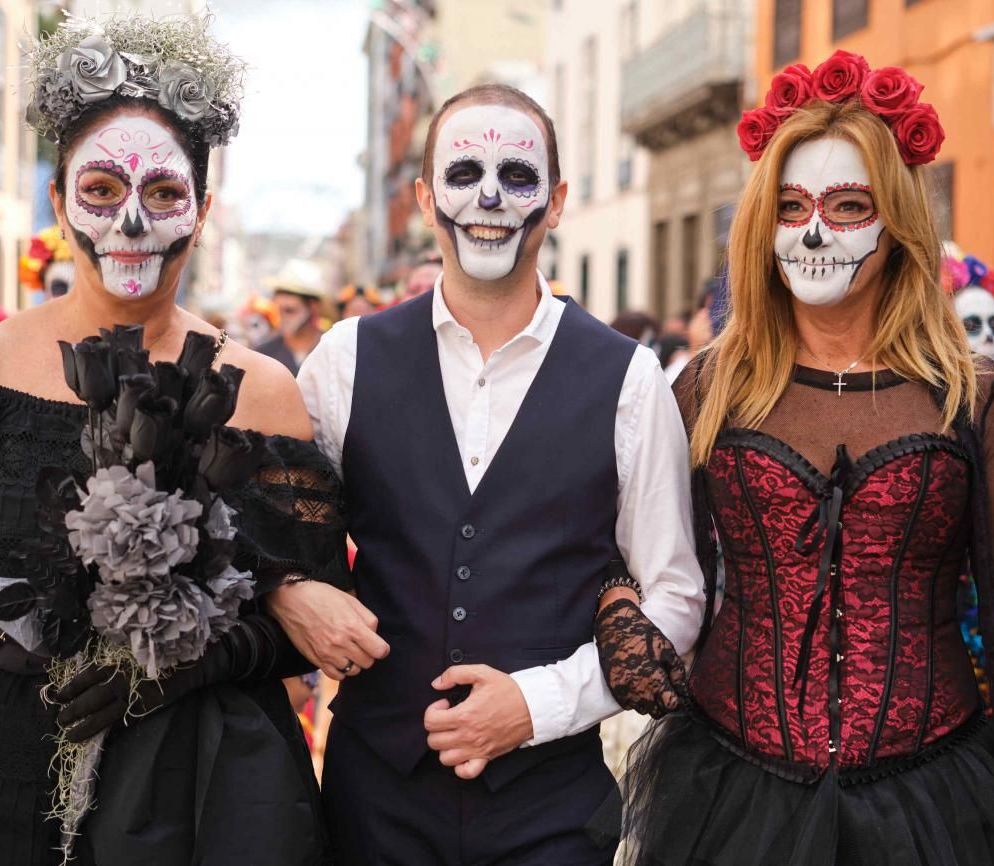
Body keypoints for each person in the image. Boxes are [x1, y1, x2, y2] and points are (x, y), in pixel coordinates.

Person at [0, 14, 350, 866]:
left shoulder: (262, 396)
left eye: (165, 195)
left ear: (202, 212)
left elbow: (308, 624)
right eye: (100, 190)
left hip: (190, 807)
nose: (131, 222)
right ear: (57, 202)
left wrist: (190, 662)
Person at [598, 52, 994, 865]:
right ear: (763, 224)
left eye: (848, 204)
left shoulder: (974, 396)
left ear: (896, 222)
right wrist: (619, 608)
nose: (815, 231)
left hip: (933, 796)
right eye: (790, 206)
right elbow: (636, 558)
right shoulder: (707, 387)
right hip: (729, 789)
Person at [273, 82, 704, 865]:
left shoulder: (630, 379)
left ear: (559, 198)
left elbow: (675, 595)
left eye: (519, 175)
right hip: (375, 798)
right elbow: (281, 544)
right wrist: (292, 590)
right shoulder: (345, 360)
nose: (491, 199)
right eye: (465, 173)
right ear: (424, 195)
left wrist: (536, 705)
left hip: (551, 809)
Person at [256, 260, 326, 374]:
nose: (282, 317)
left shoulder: (332, 349)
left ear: (313, 306)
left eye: (289, 310)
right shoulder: (264, 355)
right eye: (278, 310)